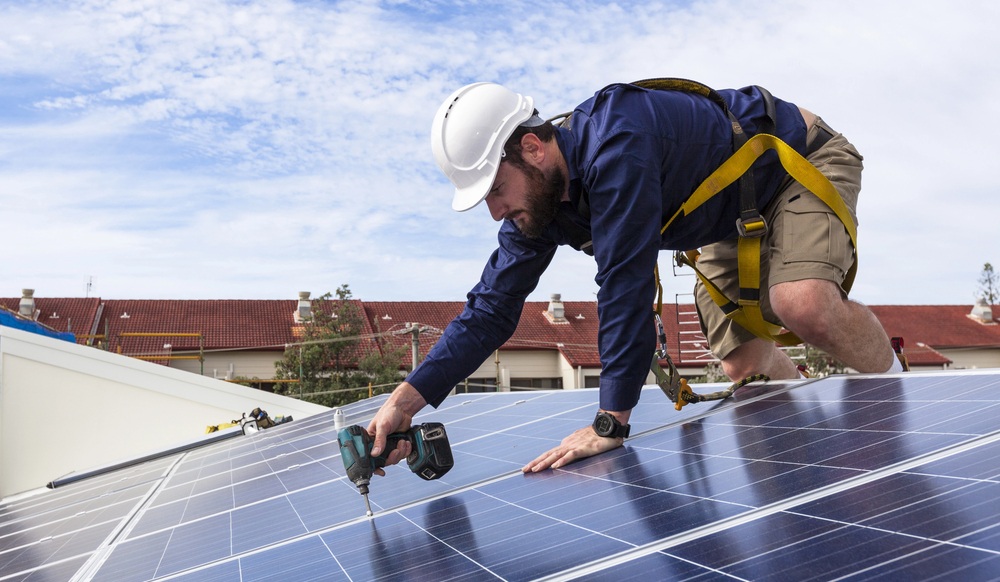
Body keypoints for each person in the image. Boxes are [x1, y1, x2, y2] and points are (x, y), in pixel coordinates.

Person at [368, 79, 901, 474]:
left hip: (792, 165)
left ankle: (908, 411)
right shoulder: (538, 202)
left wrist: (611, 421)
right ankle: (811, 468)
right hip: (724, 217)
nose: (495, 212)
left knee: (800, 302)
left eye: (495, 190)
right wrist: (403, 403)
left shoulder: (617, 143)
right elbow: (489, 312)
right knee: (745, 362)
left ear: (532, 149)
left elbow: (624, 286)